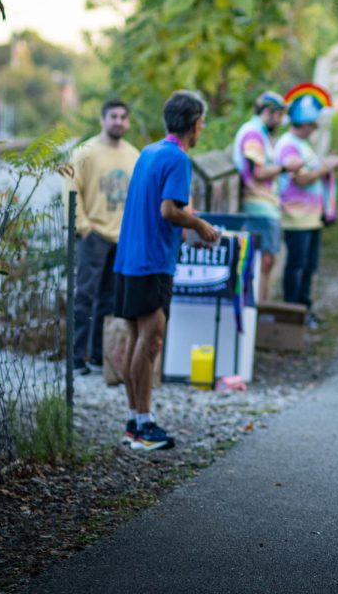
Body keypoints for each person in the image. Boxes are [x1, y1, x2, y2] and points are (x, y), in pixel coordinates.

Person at [113, 91, 221, 451]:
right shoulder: (177, 157)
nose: (201, 128)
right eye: (202, 122)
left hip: (128, 257)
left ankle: (133, 422)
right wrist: (201, 226)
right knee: (151, 341)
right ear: (194, 125)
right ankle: (144, 426)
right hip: (152, 261)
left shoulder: (149, 151)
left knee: (136, 340)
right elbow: (169, 211)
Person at [68, 98, 139, 375]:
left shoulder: (134, 155)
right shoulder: (85, 152)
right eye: (113, 116)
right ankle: (76, 358)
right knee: (84, 296)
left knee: (110, 300)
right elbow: (71, 191)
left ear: (128, 122)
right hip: (93, 234)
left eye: (123, 117)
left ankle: (99, 357)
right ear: (103, 119)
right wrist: (83, 227)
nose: (118, 121)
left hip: (122, 237)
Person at [275, 87, 338, 326]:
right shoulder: (289, 145)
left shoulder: (302, 144)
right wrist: (328, 166)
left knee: (308, 266)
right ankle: (293, 311)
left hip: (311, 217)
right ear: (303, 124)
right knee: (297, 265)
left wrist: (325, 164)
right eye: (313, 125)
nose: (315, 129)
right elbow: (302, 178)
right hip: (296, 217)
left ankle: (303, 309)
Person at [232, 92, 299, 302]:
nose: (281, 121)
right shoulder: (254, 134)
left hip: (265, 206)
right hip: (258, 207)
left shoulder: (259, 132)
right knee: (264, 263)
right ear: (268, 112)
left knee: (265, 262)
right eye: (279, 115)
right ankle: (258, 311)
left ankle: (260, 310)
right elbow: (257, 172)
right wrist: (286, 167)